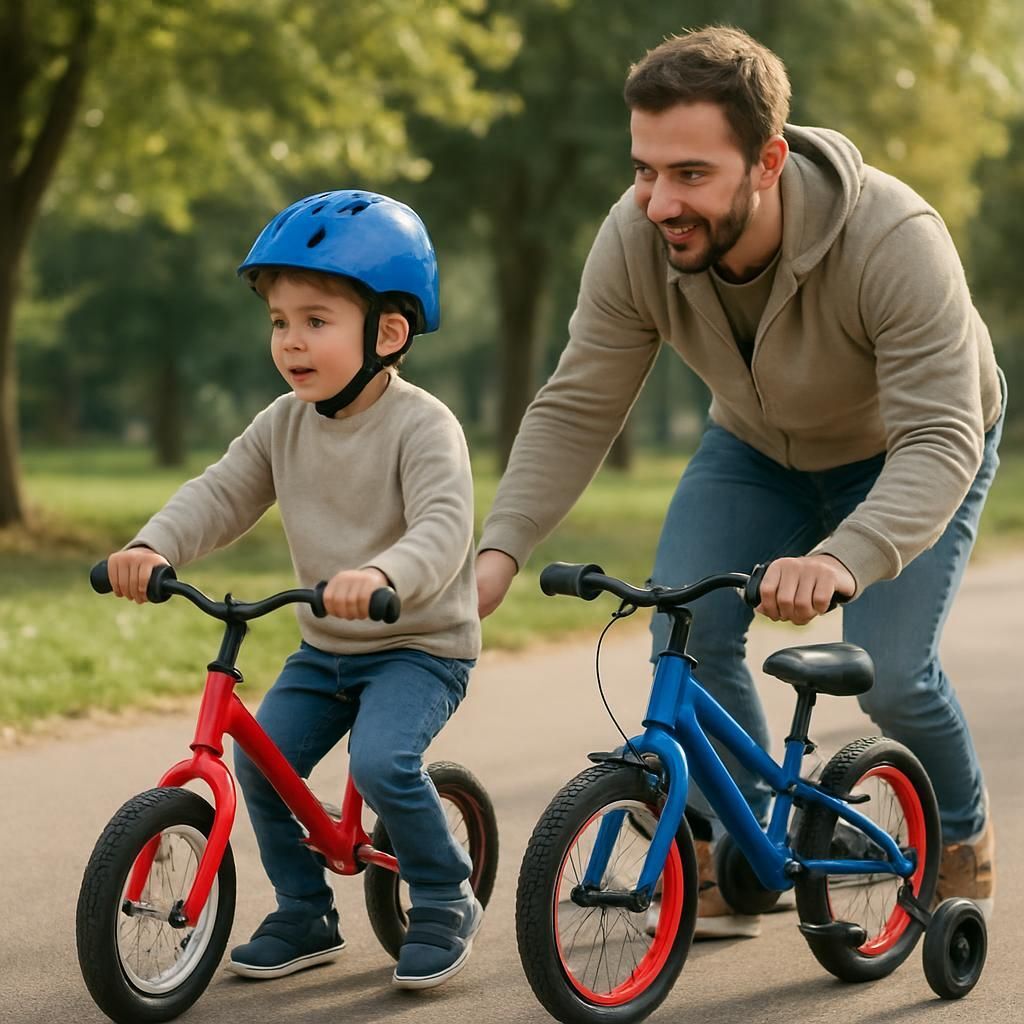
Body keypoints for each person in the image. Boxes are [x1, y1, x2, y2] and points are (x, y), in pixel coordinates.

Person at [476, 27, 1004, 939]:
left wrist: (843, 558)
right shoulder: (636, 239)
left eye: (689, 174)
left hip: (907, 452)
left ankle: (961, 834)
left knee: (895, 683)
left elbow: (940, 435)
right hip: (757, 450)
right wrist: (498, 549)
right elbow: (576, 406)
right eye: (644, 169)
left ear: (767, 160)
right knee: (689, 629)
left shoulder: (894, 236)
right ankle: (750, 848)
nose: (656, 201)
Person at [105, 190, 483, 988]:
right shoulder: (283, 422)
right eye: (280, 322)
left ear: (387, 331)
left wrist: (383, 575)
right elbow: (220, 492)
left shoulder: (424, 426)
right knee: (262, 763)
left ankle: (446, 893)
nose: (291, 342)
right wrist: (151, 545)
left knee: (383, 763)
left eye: (316, 320)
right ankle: (305, 909)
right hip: (326, 645)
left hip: (417, 644)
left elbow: (443, 529)